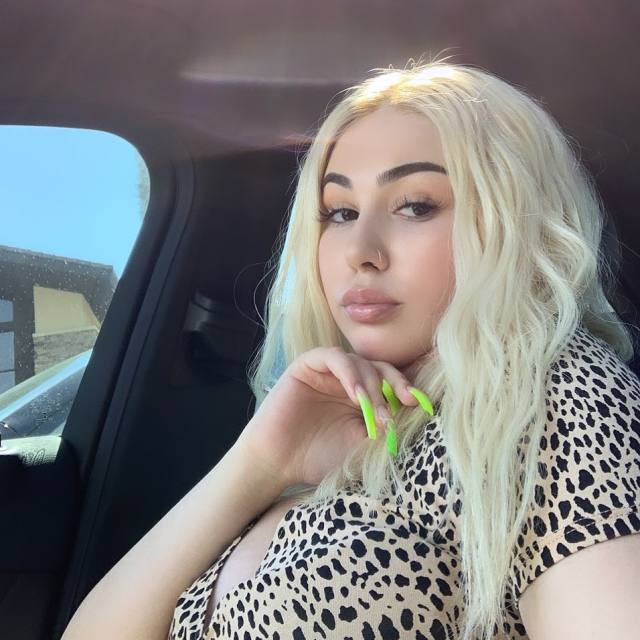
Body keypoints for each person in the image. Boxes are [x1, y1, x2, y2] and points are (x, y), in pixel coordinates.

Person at [61, 58, 640, 640]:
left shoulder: (554, 400)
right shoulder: (340, 425)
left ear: (513, 220)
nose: (360, 250)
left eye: (416, 205)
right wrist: (259, 463)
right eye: (340, 212)